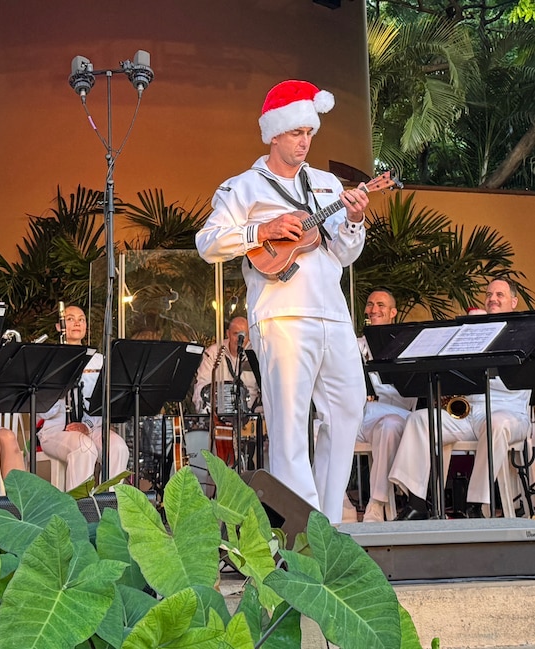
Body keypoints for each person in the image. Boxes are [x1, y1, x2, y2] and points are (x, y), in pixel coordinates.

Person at [195, 79, 369, 523]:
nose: (304, 142)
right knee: (290, 427)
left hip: (333, 312)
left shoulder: (328, 184)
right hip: (282, 316)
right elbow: (208, 242)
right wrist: (261, 231)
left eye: (309, 133)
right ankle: (300, 533)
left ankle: (327, 524)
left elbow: (345, 254)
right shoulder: (244, 187)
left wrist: (353, 220)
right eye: (296, 133)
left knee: (348, 407)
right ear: (274, 134)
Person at [390, 278, 530, 519]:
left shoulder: (524, 334)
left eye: (500, 295)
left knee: (496, 424)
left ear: (514, 302)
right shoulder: (475, 333)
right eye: (489, 294)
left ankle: (475, 505)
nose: (492, 299)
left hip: (508, 412)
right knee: (420, 420)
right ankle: (416, 503)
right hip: (469, 412)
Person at [37, 306, 130, 491]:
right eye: (70, 319)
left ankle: (110, 506)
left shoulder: (100, 361)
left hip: (91, 428)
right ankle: (80, 510)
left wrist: (86, 426)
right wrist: (61, 386)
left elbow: (103, 403)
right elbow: (43, 410)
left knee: (118, 447)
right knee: (84, 448)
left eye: (81, 319)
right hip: (56, 431)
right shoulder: (49, 361)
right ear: (59, 327)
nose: (77, 323)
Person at [357, 289, 416, 522]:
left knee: (390, 426)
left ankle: (376, 503)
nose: (374, 310)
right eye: (370, 304)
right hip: (361, 416)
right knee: (320, 427)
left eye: (381, 305)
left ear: (393, 312)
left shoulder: (405, 343)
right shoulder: (355, 345)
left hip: (395, 414)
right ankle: (337, 502)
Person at [192, 316, 260, 415]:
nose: (239, 339)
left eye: (244, 335)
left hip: (251, 417)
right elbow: (201, 387)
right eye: (236, 334)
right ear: (227, 334)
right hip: (219, 416)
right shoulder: (214, 353)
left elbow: (266, 391)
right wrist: (206, 414)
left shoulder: (256, 354)